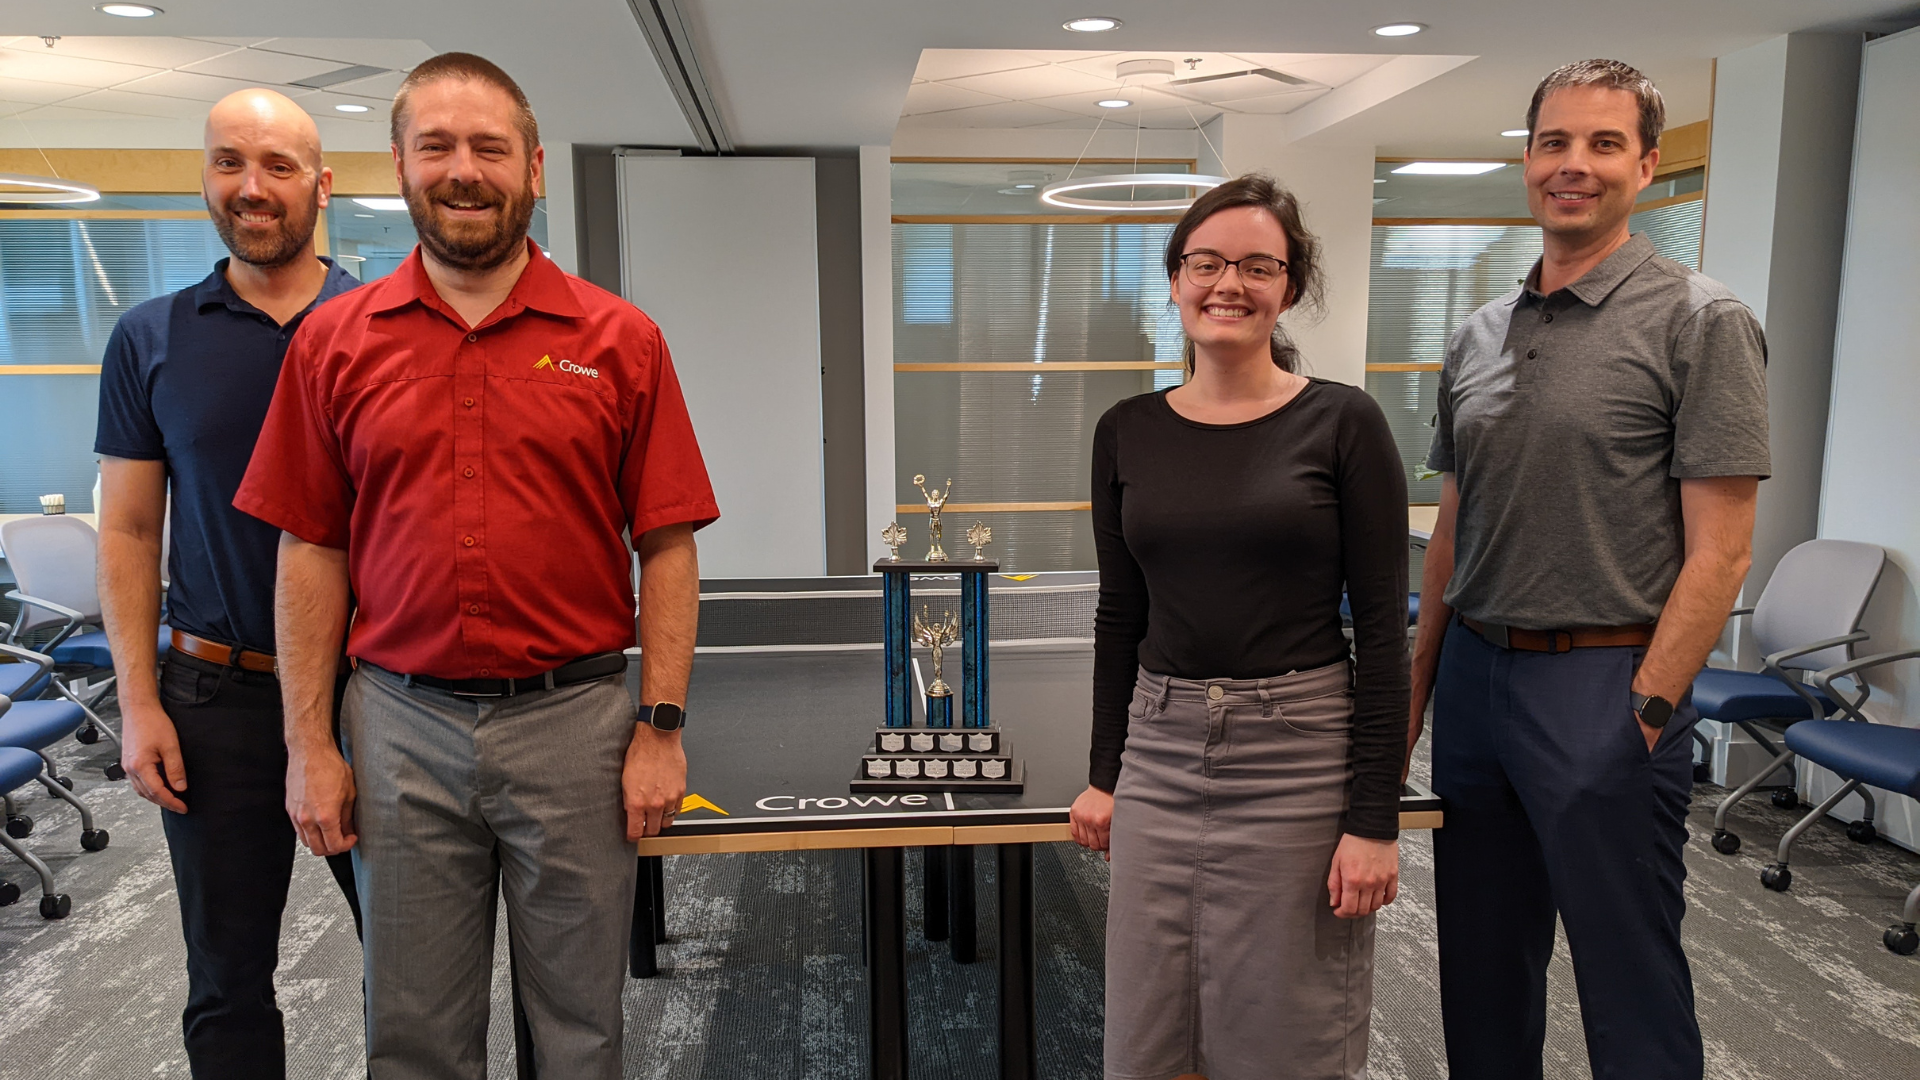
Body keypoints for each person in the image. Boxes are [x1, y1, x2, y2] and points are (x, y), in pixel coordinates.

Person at [232, 53, 717, 1079]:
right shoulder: (332, 343)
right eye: (437, 147)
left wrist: (662, 727)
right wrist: (308, 743)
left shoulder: (620, 340)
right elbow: (310, 548)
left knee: (582, 1034)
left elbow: (668, 544)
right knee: (413, 1039)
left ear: (532, 169)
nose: (463, 170)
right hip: (397, 729)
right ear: (399, 165)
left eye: (489, 148)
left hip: (576, 727)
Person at [1408, 59, 1768, 1080]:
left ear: (1646, 165)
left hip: (1605, 681)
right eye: (1554, 142)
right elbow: (1453, 531)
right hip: (1477, 678)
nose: (1574, 164)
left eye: (1605, 143)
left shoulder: (1700, 319)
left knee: (1628, 979)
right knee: (1481, 966)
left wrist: (1647, 707)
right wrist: (1415, 697)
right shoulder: (1478, 333)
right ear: (1526, 160)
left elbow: (1723, 550)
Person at [1067, 174, 1411, 1080]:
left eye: (1259, 266)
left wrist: (1374, 819)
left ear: (1289, 289)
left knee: (1284, 1036)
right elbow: (1120, 615)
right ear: (1176, 280)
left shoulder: (1344, 422)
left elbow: (1384, 634)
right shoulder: (1125, 431)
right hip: (1161, 749)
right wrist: (1105, 774)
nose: (1230, 284)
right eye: (1207, 263)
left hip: (1297, 760)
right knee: (1150, 1035)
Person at [94, 88, 364, 1078]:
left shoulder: (383, 325)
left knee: (411, 967)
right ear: (204, 178)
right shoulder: (151, 337)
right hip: (213, 697)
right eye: (228, 162)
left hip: (374, 695)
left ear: (321, 187)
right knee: (226, 979)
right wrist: (137, 703)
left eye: (278, 165)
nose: (252, 186)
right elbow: (129, 530)